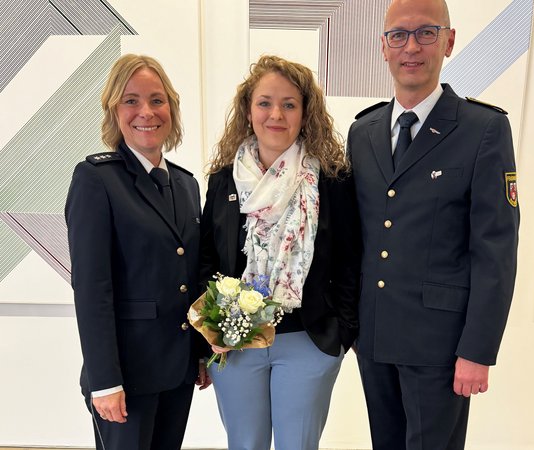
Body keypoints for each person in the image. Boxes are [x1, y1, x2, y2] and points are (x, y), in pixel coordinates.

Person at [347, 0, 520, 449]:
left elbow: (495, 250)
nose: (412, 47)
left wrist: (477, 351)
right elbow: (357, 238)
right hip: (374, 338)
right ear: (383, 47)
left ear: (449, 40)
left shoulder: (483, 129)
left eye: (426, 32)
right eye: (398, 35)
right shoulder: (362, 133)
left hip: (440, 347)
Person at [199, 54, 361, 450]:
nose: (276, 114)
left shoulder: (330, 179)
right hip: (236, 345)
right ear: (248, 110)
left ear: (306, 113)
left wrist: (340, 335)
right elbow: (206, 257)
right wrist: (211, 330)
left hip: (308, 341)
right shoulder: (225, 180)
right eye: (265, 103)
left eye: (289, 104)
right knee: (245, 444)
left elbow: (350, 260)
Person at [65, 54, 211, 450]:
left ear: (171, 108)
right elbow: (92, 290)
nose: (145, 111)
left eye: (156, 100)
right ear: (114, 110)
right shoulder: (96, 180)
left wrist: (199, 353)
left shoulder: (186, 185)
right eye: (131, 100)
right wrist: (105, 381)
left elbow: (191, 276)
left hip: (177, 372)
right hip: (125, 378)